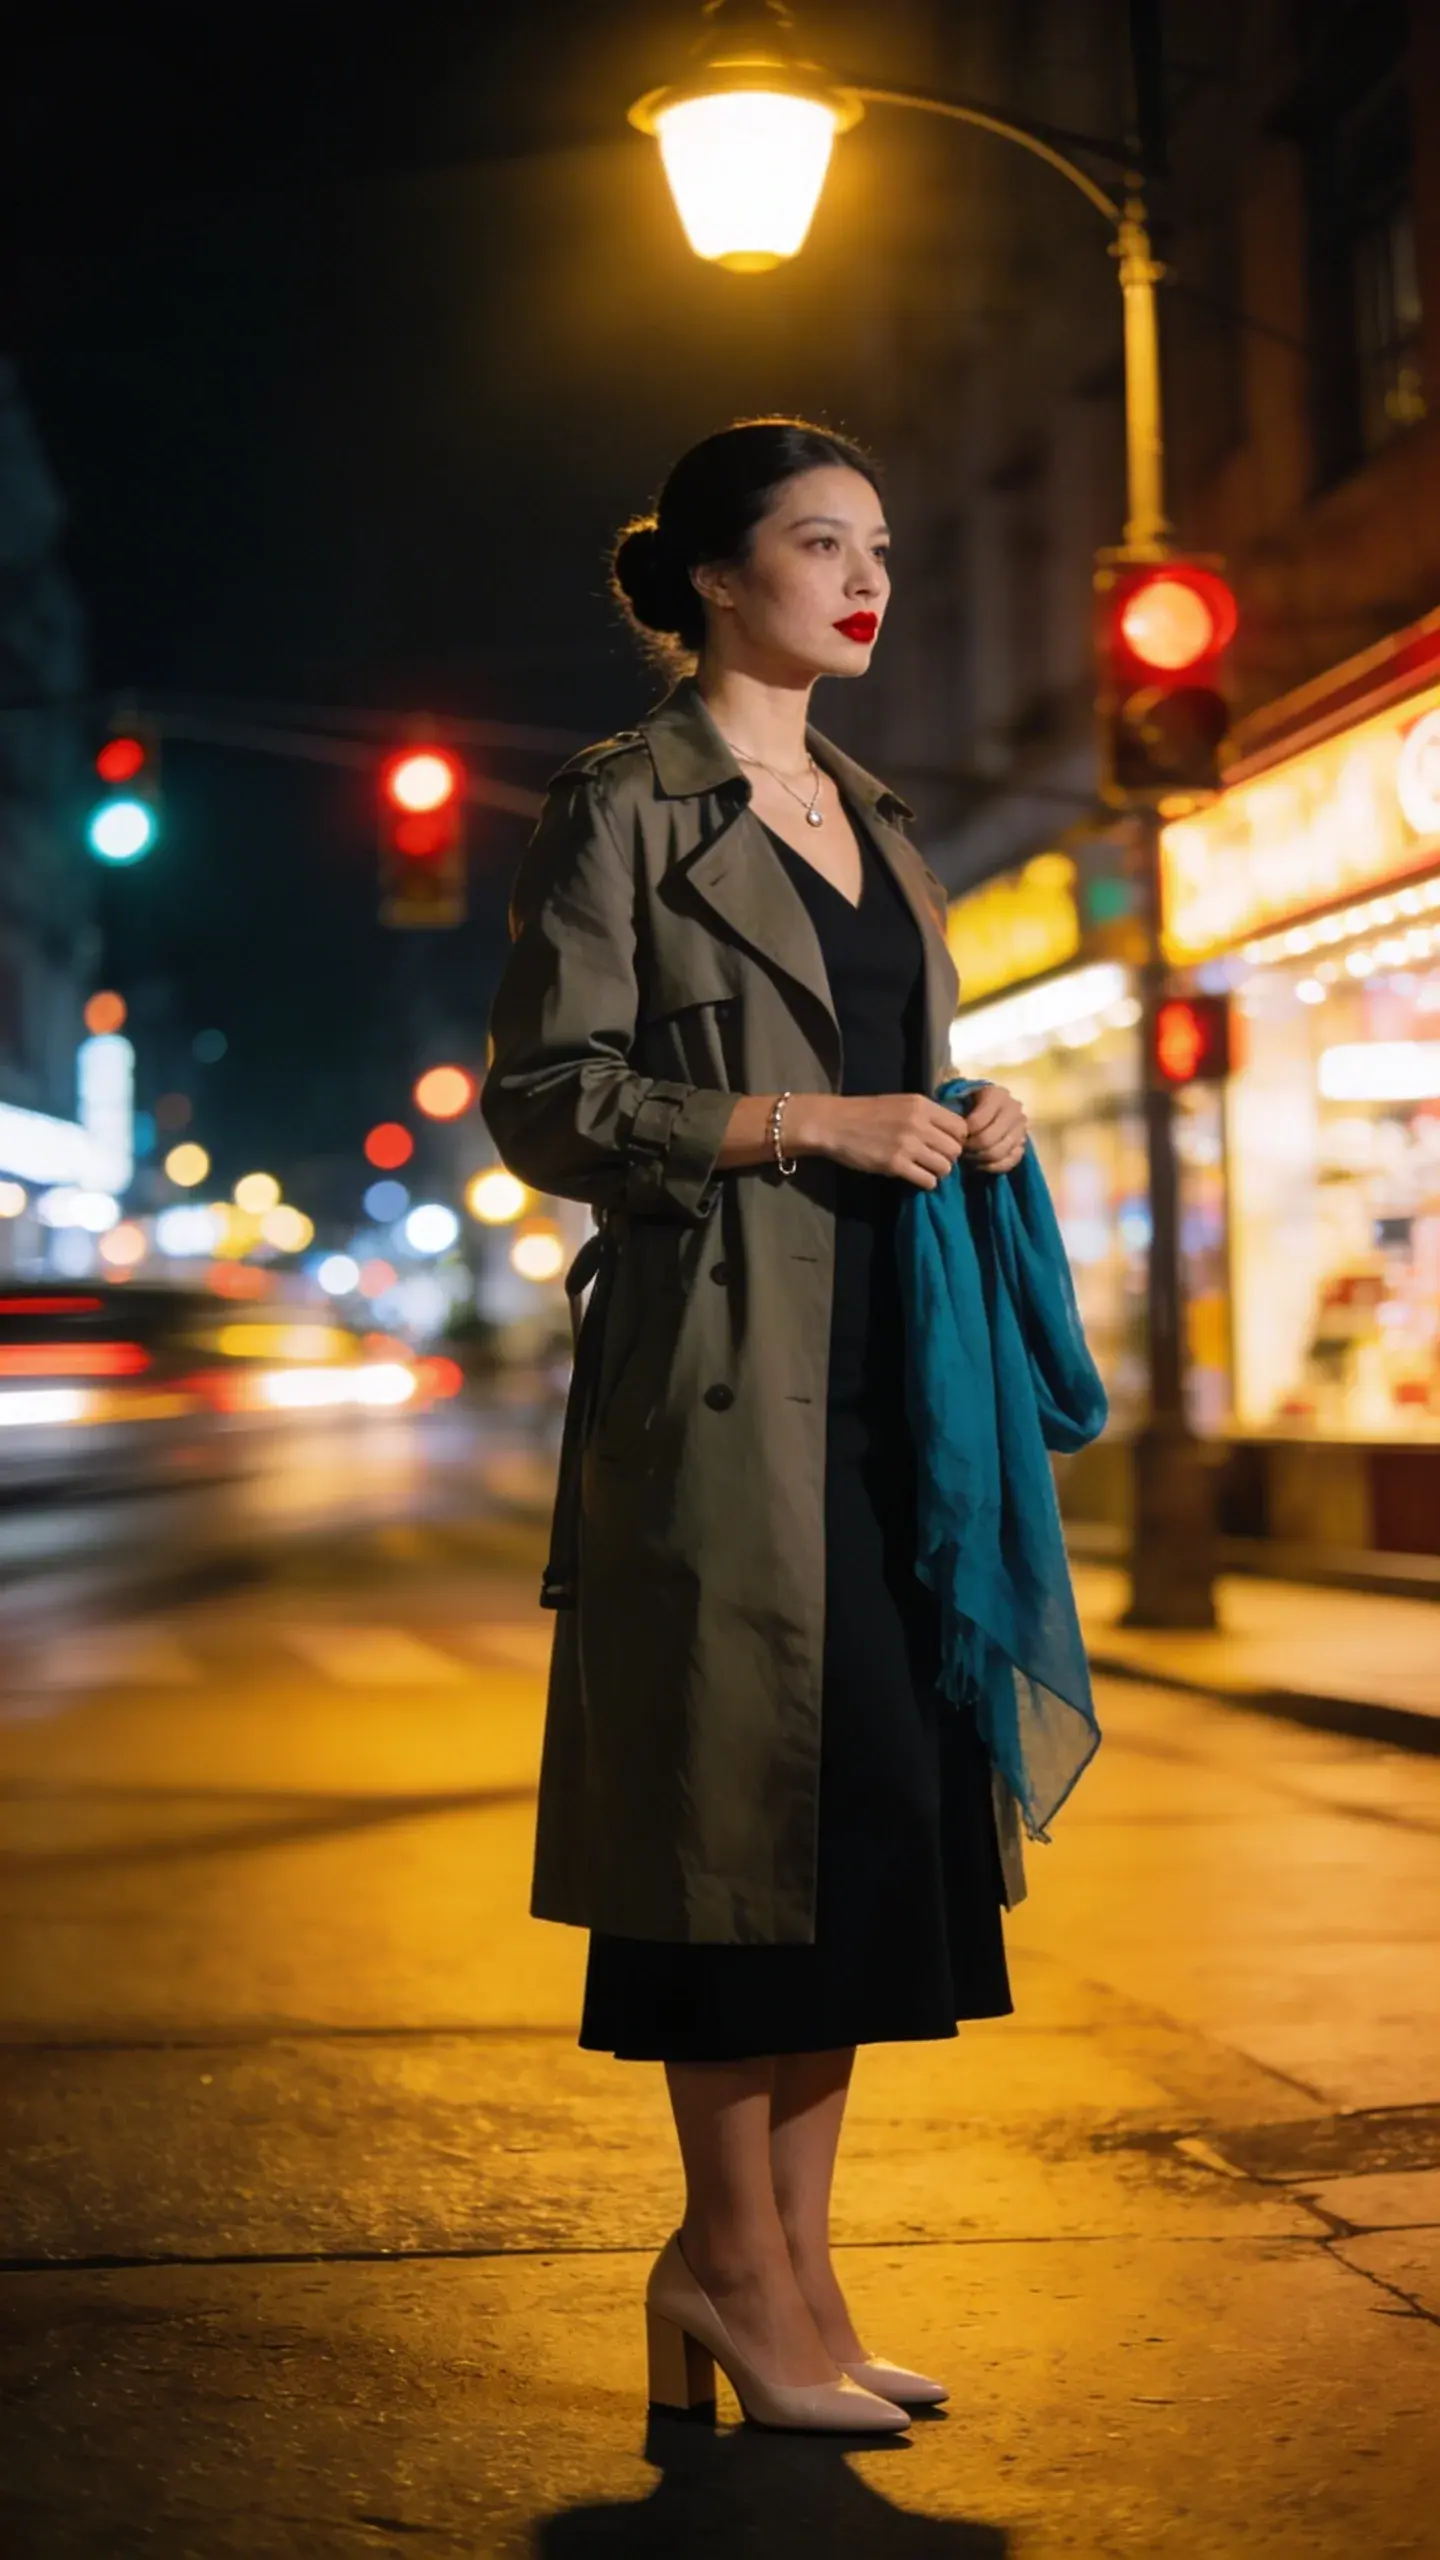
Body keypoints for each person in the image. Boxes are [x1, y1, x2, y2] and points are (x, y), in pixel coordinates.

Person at [480, 416, 1030, 2435]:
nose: (864, 572)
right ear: (719, 574)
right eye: (820, 541)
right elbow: (545, 1100)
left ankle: (794, 2274)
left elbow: (897, 1058)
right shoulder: (621, 807)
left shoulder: (876, 808)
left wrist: (974, 1109)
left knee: (866, 1835)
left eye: (876, 541)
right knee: (730, 1844)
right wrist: (793, 1122)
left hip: (900, 1381)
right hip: (717, 1394)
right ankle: (730, 2262)